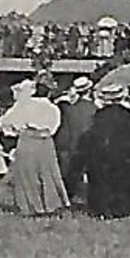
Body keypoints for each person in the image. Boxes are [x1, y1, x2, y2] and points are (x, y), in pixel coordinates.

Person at [0, 79, 70, 217]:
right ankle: (51, 204)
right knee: (48, 172)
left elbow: (6, 122)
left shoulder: (23, 105)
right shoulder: (52, 108)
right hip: (45, 141)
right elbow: (54, 127)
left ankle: (30, 205)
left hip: (27, 139)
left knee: (27, 174)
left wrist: (15, 131)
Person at [56, 76, 97, 204]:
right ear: (89, 90)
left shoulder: (70, 110)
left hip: (73, 147)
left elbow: (64, 133)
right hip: (91, 147)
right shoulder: (95, 109)